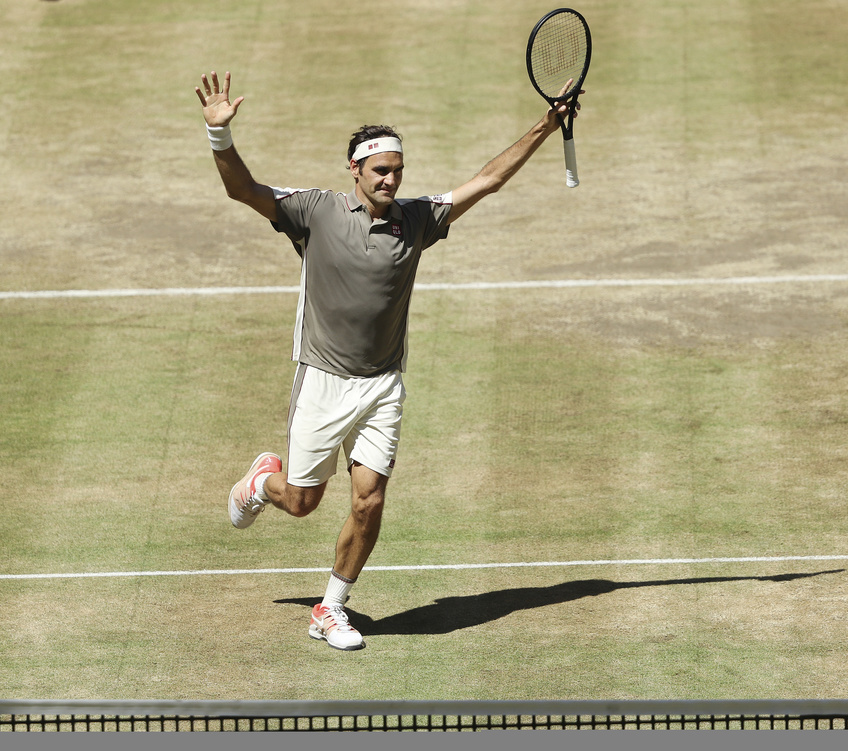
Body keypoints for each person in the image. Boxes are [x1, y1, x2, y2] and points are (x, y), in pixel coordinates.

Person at [194, 70, 582, 651]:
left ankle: (331, 607)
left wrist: (546, 125)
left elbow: (489, 180)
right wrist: (219, 135)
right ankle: (259, 483)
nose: (391, 179)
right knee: (301, 503)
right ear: (354, 169)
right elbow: (243, 190)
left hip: (382, 386)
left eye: (397, 170)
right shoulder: (314, 213)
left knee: (370, 498)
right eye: (380, 170)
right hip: (322, 382)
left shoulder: (417, 219)